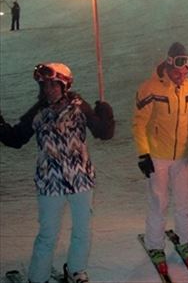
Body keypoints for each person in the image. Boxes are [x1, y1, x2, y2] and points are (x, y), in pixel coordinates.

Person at [0, 63, 114, 283]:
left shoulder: (80, 107)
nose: (49, 90)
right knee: (48, 235)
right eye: (45, 86)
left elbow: (103, 132)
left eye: (54, 85)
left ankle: (76, 270)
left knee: (82, 230)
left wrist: (106, 116)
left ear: (65, 85)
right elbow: (16, 138)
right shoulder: (38, 112)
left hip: (80, 180)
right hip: (50, 183)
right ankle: (38, 277)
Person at [132, 42, 188, 275]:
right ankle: (155, 245)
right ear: (170, 62)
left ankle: (185, 241)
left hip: (182, 157)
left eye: (186, 72)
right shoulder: (150, 88)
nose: (182, 76)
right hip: (157, 157)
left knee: (185, 201)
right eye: (179, 71)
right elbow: (139, 124)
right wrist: (143, 154)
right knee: (158, 202)